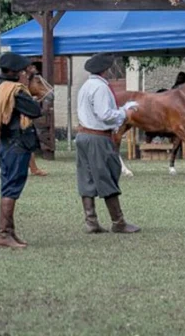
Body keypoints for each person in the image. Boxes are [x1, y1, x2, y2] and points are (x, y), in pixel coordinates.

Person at [76, 53, 140, 234]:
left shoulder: (86, 86)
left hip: (83, 135)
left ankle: (91, 221)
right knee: (107, 175)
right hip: (98, 136)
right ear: (105, 69)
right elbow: (104, 114)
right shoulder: (100, 88)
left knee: (86, 177)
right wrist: (124, 113)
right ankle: (118, 221)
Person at [0, 52, 44, 249]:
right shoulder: (17, 91)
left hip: (6, 144)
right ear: (18, 73)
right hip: (16, 145)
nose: (27, 73)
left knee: (8, 187)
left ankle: (10, 232)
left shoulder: (2, 88)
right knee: (11, 189)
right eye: (24, 70)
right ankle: (4, 233)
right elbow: (35, 111)